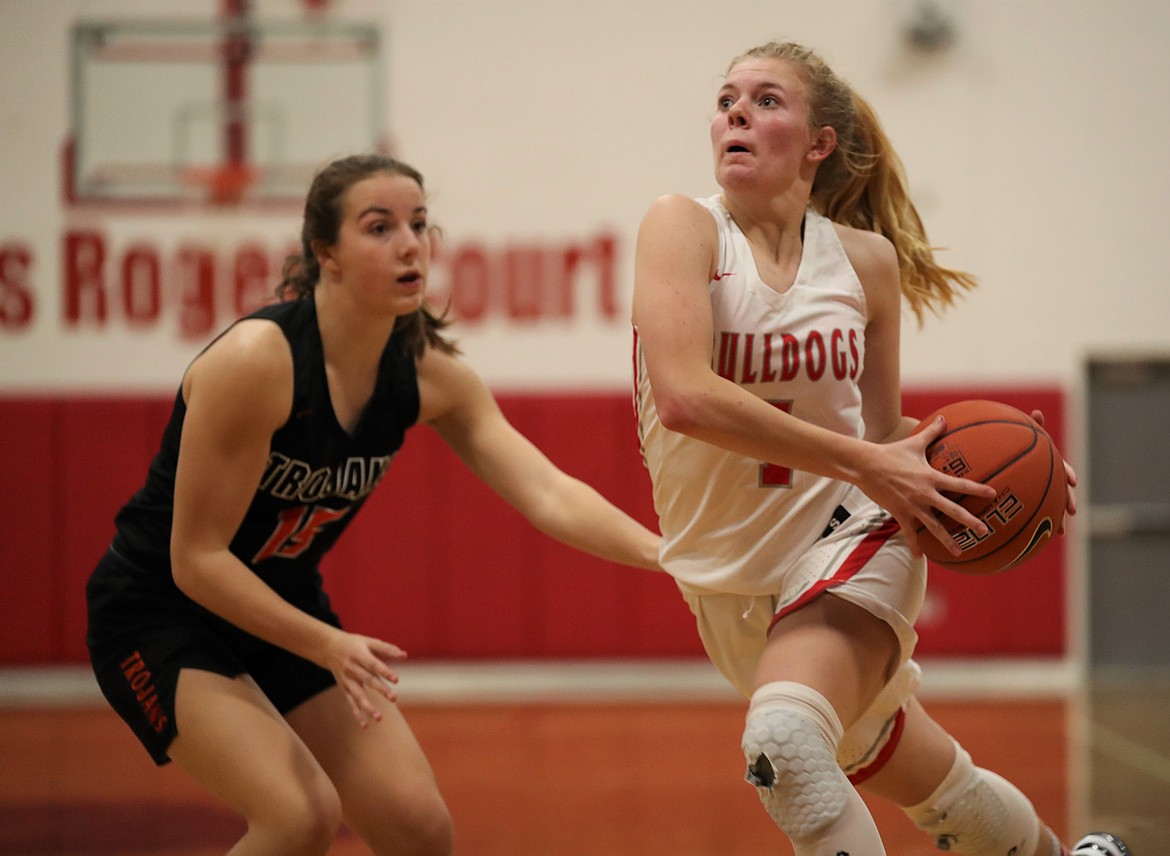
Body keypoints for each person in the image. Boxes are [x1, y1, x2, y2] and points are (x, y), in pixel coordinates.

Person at [632, 41, 1131, 856]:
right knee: (930, 778)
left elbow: (881, 434)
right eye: (727, 99)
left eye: (765, 101)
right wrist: (869, 457)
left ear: (819, 142)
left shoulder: (865, 263)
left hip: (851, 536)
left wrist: (1003, 475)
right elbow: (686, 396)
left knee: (786, 750)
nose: (735, 114)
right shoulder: (680, 227)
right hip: (728, 580)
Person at [86, 153, 662, 856]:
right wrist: (327, 644)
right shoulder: (257, 362)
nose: (410, 243)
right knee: (298, 816)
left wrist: (663, 555)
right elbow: (195, 560)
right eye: (379, 227)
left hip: (279, 607)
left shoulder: (427, 376)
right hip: (158, 609)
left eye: (419, 224)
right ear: (325, 251)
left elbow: (546, 491)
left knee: (418, 827)